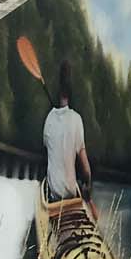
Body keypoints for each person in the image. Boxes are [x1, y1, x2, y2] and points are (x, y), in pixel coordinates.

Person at [41, 60, 92, 202]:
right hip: (70, 193)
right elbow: (86, 170)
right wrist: (87, 185)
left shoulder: (49, 119)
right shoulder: (76, 119)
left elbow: (47, 148)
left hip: (54, 196)